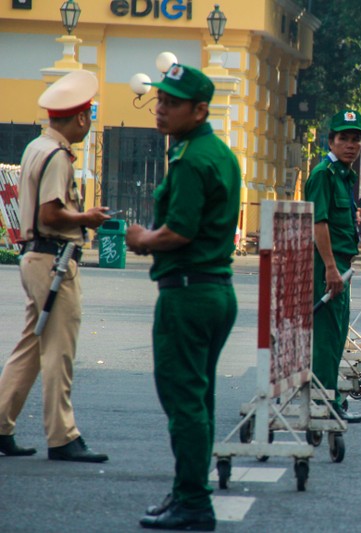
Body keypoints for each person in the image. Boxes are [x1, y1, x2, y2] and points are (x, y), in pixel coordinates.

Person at [124, 64, 240, 530]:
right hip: (213, 290)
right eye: (160, 100)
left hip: (189, 292)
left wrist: (142, 238)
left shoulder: (192, 159)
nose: (160, 109)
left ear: (199, 110)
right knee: (198, 397)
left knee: (183, 400)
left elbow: (180, 231)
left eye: (172, 103)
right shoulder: (216, 151)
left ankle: (193, 501)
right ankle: (188, 492)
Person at [0, 70, 110, 462]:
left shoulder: (36, 146)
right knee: (58, 351)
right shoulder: (58, 155)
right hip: (54, 261)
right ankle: (62, 436)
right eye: (90, 114)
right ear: (79, 117)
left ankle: (1, 426)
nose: (91, 121)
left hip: (36, 256)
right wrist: (87, 217)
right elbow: (52, 212)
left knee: (30, 345)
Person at [302, 108, 361, 425]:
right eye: (344, 138)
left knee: (337, 333)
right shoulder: (323, 175)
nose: (351, 144)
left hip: (340, 263)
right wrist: (329, 267)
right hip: (325, 264)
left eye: (356, 139)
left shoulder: (344, 174)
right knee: (327, 336)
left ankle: (330, 399)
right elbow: (319, 223)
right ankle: (326, 402)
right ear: (331, 140)